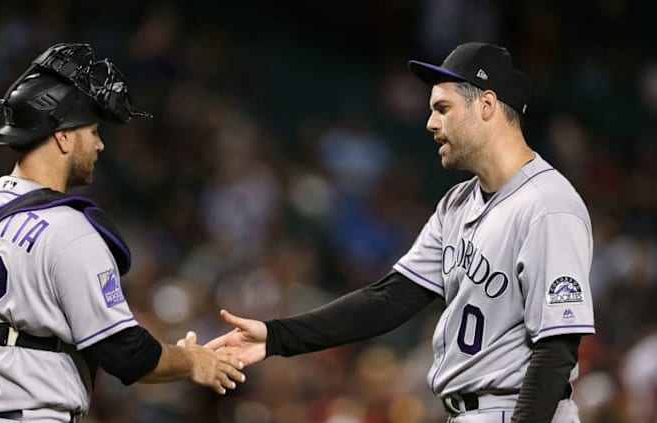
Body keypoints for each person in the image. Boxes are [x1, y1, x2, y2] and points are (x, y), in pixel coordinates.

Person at [206, 42, 595, 422]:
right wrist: (276, 337)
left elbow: (557, 349)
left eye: (443, 109)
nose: (430, 123)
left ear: (487, 106)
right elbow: (390, 299)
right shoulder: (458, 202)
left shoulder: (548, 206)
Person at [0, 43, 244, 423]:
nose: (100, 144)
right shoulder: (70, 231)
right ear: (63, 137)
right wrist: (190, 361)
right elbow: (127, 354)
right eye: (93, 131)